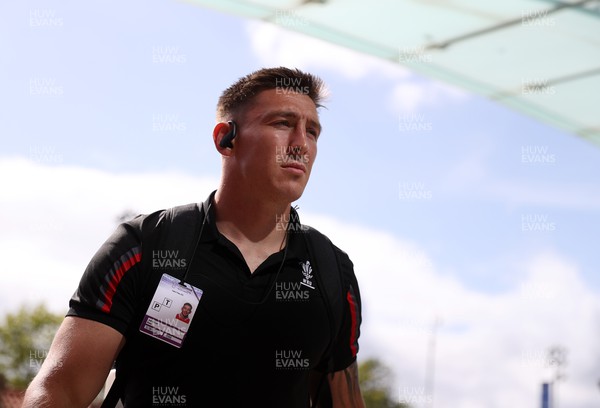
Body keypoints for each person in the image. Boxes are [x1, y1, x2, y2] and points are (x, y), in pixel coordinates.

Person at [23, 67, 364, 407]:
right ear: (225, 139)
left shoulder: (332, 271)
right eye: (283, 124)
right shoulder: (145, 246)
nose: (301, 144)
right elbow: (59, 391)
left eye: (313, 132)